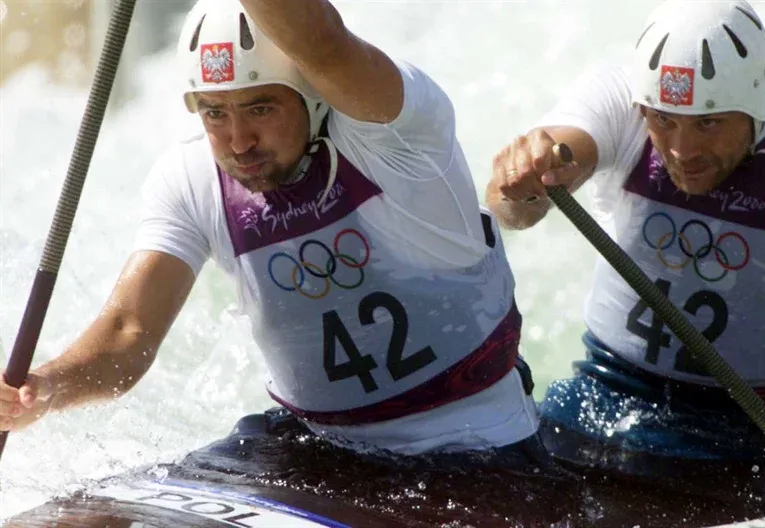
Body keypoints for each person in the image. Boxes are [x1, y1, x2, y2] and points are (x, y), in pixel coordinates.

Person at [0, 0, 545, 468]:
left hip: (475, 448)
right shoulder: (190, 179)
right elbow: (128, 331)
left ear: (311, 96)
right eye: (215, 113)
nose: (238, 141)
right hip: (313, 447)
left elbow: (323, 42)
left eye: (260, 108)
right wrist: (45, 388)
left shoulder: (396, 133)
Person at [485, 1, 765, 526]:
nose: (681, 149)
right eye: (664, 120)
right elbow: (511, 208)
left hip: (752, 446)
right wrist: (525, 182)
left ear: (755, 105)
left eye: (708, 123)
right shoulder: (623, 100)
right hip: (597, 403)